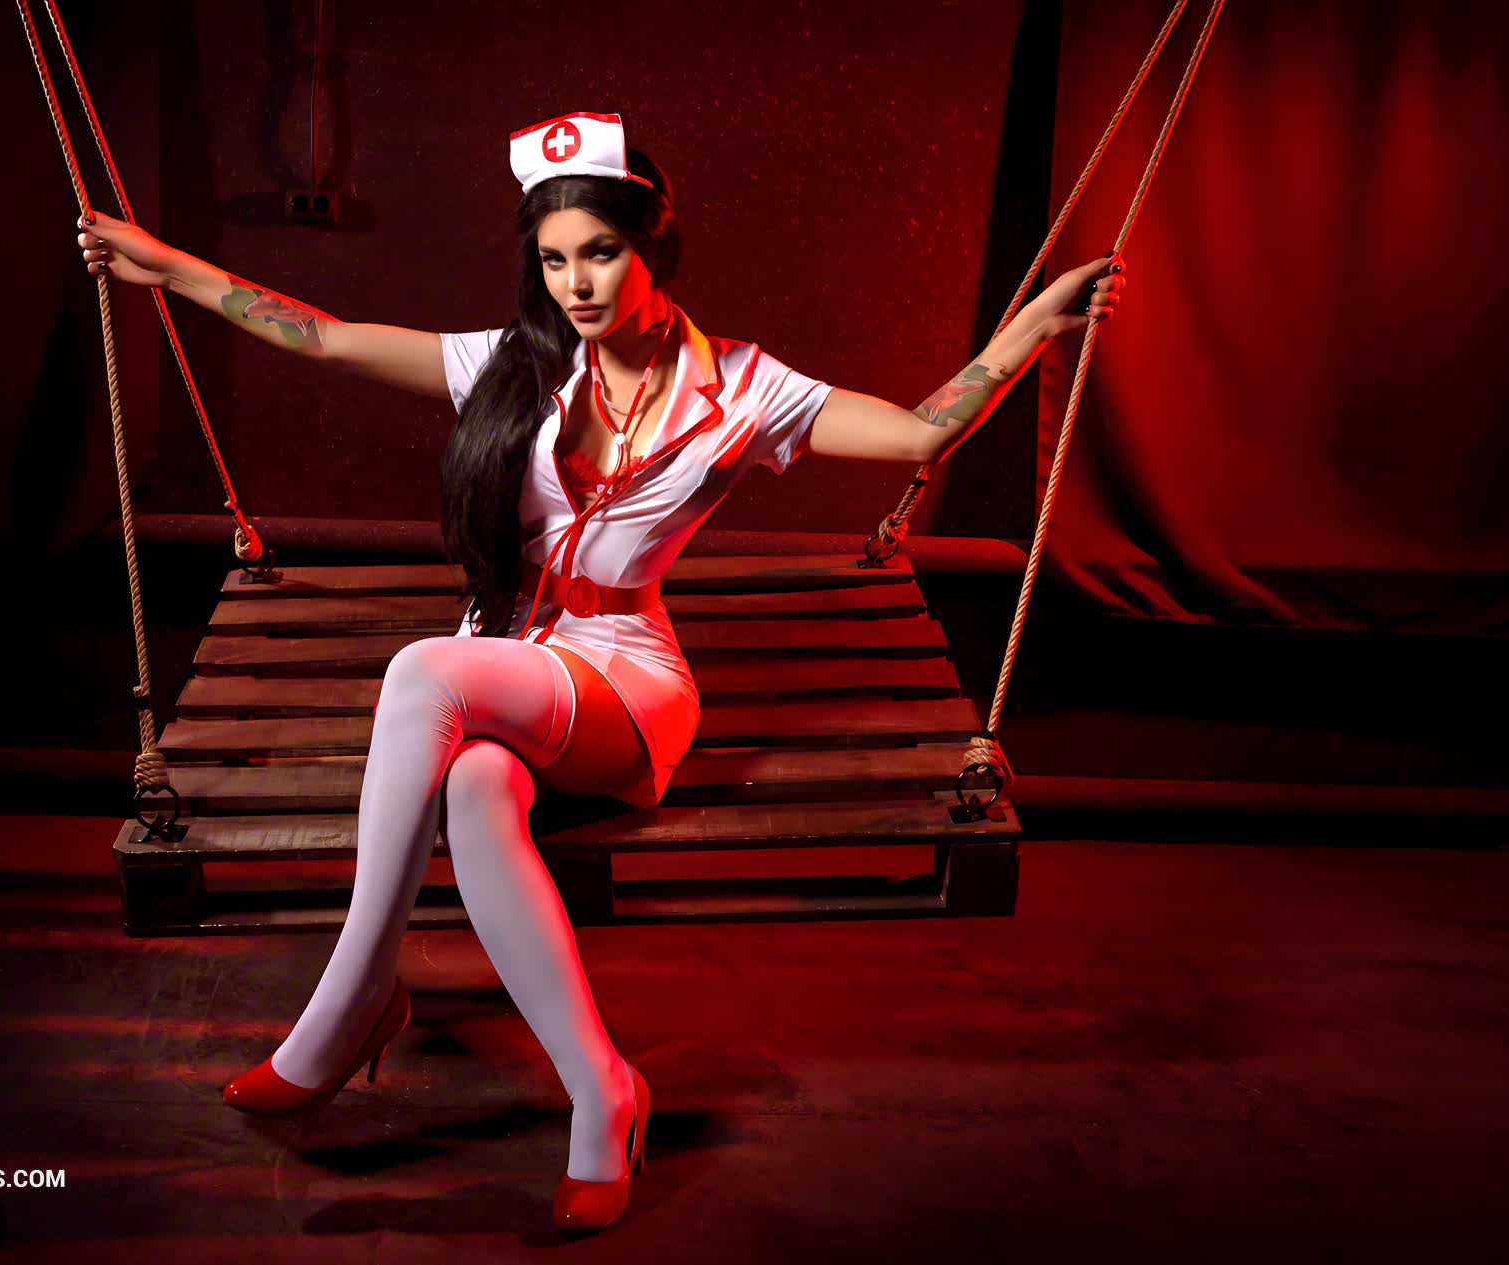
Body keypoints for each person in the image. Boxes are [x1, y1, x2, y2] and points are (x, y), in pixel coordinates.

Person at [77, 109, 1126, 1233]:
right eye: (553, 258)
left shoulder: (744, 389)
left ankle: (351, 998)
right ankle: (602, 1091)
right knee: (476, 781)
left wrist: (1033, 326)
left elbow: (918, 435)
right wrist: (166, 267)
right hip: (512, 666)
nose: (574, 282)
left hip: (627, 683)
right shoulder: (516, 364)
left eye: (600, 252)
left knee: (427, 671)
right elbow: (325, 339)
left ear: (653, 246)